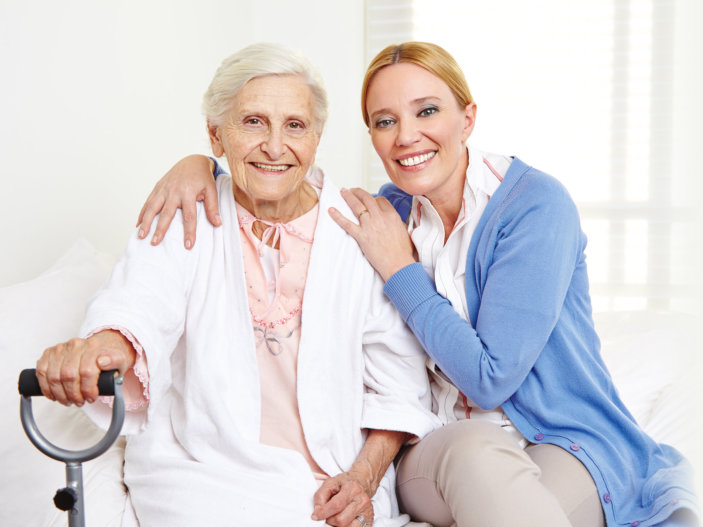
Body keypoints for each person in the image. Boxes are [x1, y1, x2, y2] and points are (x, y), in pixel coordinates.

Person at [136, 42, 699, 527]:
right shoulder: (384, 212)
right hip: (442, 452)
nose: (406, 136)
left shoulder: (534, 207)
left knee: (518, 503)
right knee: (476, 453)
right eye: (384, 121)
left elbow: (489, 379)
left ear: (468, 118)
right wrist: (195, 166)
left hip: (564, 443)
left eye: (427, 111)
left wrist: (401, 272)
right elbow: (271, 174)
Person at [34, 42, 439, 527]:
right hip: (202, 477)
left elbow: (398, 384)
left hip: (329, 486)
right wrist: (98, 349)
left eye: (295, 125)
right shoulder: (186, 210)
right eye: (252, 122)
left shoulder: (360, 230)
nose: (274, 146)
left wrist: (363, 480)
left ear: (317, 136)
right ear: (215, 135)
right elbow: (139, 305)